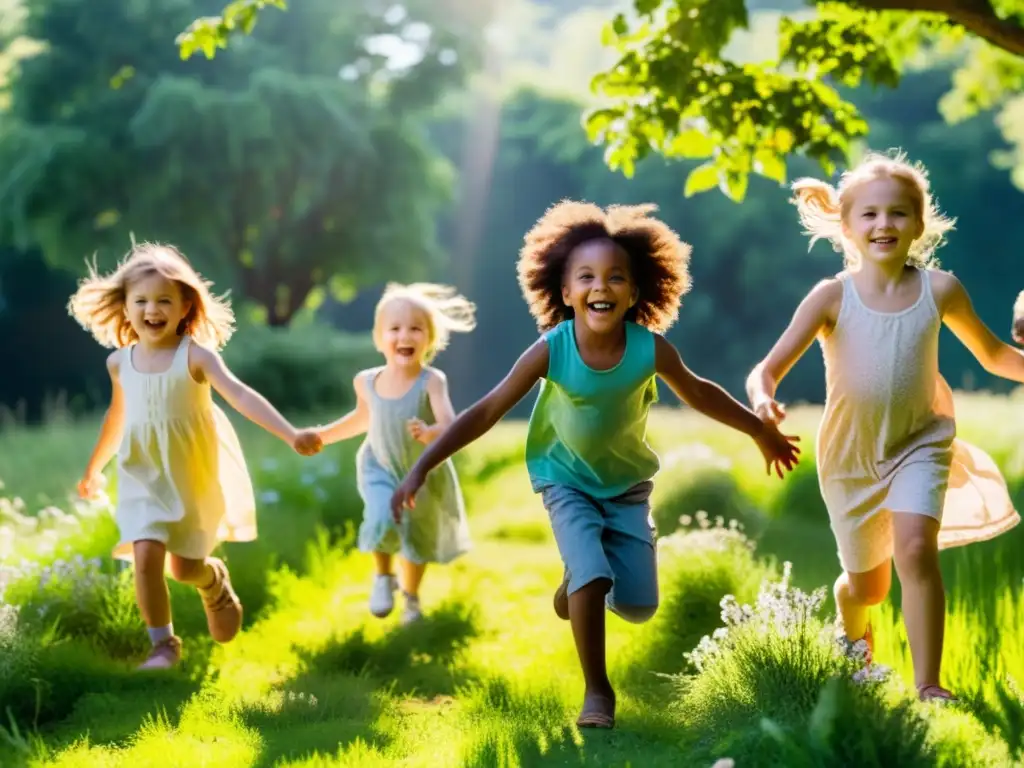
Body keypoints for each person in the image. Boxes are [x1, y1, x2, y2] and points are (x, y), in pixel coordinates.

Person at [390, 201, 800, 728]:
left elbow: (699, 393)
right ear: (565, 293)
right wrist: (422, 465)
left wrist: (759, 431)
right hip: (564, 479)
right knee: (593, 576)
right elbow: (489, 409)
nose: (600, 286)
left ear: (634, 293)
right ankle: (598, 692)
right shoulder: (551, 349)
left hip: (626, 487)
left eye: (615, 277)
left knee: (637, 606)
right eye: (585, 277)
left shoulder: (649, 350)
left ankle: (576, 581)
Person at [746, 151, 1021, 702]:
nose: (884, 225)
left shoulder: (940, 290)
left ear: (919, 224)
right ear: (847, 227)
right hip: (850, 460)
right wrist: (763, 400)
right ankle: (853, 630)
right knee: (867, 587)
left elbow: (993, 355)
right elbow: (767, 369)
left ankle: (928, 685)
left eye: (898, 213)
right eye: (870, 215)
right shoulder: (831, 297)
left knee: (916, 550)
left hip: (921, 443)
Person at [71, 242, 320, 670]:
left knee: (184, 569)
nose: (153, 309)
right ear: (125, 307)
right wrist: (95, 467)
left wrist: (290, 432)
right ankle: (163, 645)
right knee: (145, 555)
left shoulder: (197, 357)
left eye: (164, 300)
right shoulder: (119, 363)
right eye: (142, 301)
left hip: (190, 474)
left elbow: (240, 396)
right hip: (142, 473)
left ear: (186, 305)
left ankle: (213, 581)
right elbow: (117, 417)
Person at [305, 283, 475, 625]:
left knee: (417, 542)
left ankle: (411, 599)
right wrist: (322, 435)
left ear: (430, 338)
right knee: (382, 517)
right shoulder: (367, 381)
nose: (405, 336)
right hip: (380, 466)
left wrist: (429, 433)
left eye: (415, 328)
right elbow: (361, 420)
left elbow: (450, 425)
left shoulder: (432, 381)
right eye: (394, 329)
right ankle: (383, 576)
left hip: (423, 473)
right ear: (379, 337)